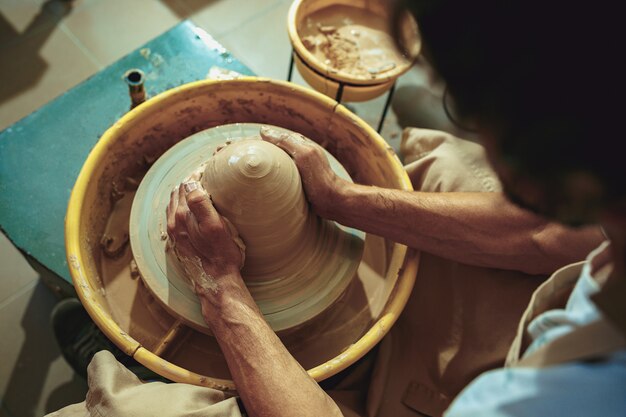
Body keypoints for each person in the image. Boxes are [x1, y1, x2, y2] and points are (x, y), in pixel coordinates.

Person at [48, 0, 625, 416]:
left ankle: (133, 379)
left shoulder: (559, 401)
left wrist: (220, 289)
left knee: (135, 413)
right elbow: (546, 236)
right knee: (447, 167)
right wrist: (343, 200)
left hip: (479, 391)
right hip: (554, 322)